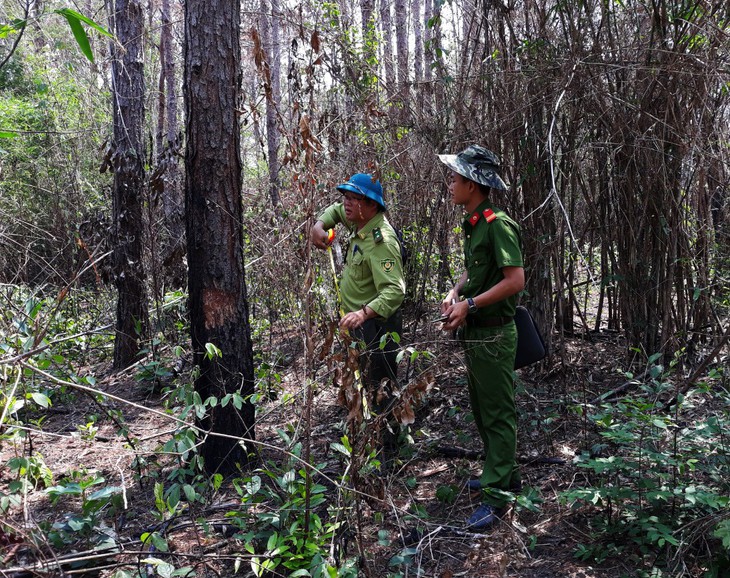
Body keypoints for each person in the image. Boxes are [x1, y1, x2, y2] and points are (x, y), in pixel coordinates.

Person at [437, 145, 525, 530]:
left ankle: (496, 496)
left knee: (497, 414)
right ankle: (503, 475)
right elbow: (476, 274)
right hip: (476, 335)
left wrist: (470, 305)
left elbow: (514, 281)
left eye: (455, 179)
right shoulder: (475, 224)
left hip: (493, 335)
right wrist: (457, 293)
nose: (450, 185)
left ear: (473, 185)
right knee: (482, 411)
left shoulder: (497, 223)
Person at [310, 173, 406, 410]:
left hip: (376, 328)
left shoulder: (381, 241)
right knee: (359, 389)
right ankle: (364, 440)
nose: (347, 203)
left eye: (355, 199)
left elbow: (395, 291)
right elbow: (334, 210)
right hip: (355, 325)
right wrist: (319, 226)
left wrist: (363, 314)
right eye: (346, 197)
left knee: (380, 393)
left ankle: (387, 445)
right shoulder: (358, 217)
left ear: (372, 205)